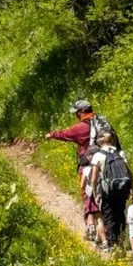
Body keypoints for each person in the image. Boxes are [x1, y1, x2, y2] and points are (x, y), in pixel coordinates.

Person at [47, 100, 110, 242]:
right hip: (105, 163)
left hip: (88, 165)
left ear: (82, 112)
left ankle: (91, 229)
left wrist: (51, 134)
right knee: (104, 193)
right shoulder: (101, 122)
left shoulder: (82, 127)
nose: (76, 115)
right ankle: (107, 228)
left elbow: (65, 134)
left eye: (77, 112)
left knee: (88, 194)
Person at [88, 129, 132, 248]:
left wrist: (95, 193)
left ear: (100, 141)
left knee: (109, 217)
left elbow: (94, 178)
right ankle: (122, 241)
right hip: (122, 189)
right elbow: (129, 173)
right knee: (120, 215)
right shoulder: (120, 153)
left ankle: (113, 245)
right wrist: (130, 189)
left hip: (107, 192)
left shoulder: (98, 155)